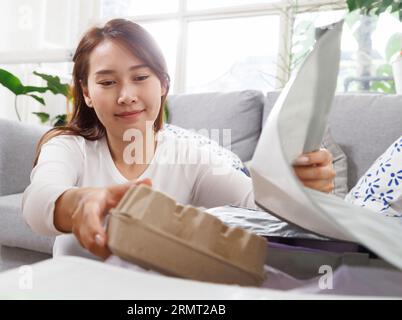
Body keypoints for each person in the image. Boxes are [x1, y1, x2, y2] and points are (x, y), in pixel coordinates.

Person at [22, 18, 336, 262]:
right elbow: (38, 201)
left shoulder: (188, 155)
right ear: (87, 92)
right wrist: (80, 202)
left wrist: (300, 189)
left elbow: (256, 204)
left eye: (141, 77)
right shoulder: (68, 147)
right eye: (107, 82)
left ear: (163, 84)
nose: (126, 95)